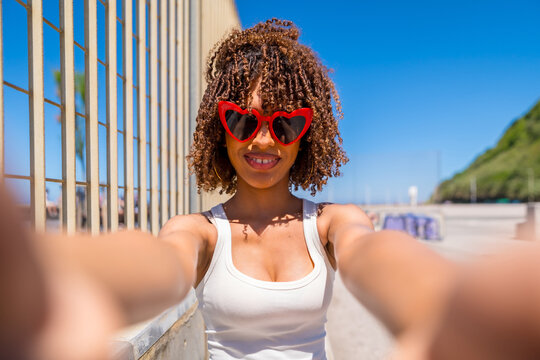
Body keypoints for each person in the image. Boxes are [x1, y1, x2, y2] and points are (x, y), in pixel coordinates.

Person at [5, 18, 540, 360]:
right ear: (220, 129)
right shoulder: (199, 232)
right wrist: (45, 274)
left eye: (284, 124)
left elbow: (371, 254)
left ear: (306, 135)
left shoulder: (330, 222)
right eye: (242, 121)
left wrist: (446, 305)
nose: (263, 140)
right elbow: (157, 263)